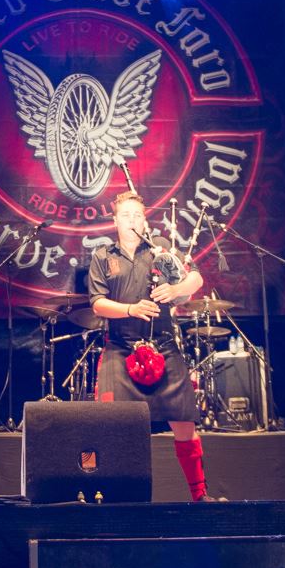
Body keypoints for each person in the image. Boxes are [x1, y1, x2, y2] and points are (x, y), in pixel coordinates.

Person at [87, 191, 214, 501]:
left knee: (184, 424)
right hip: (121, 347)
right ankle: (113, 497)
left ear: (144, 220)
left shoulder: (160, 250)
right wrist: (131, 309)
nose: (132, 220)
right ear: (115, 221)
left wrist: (176, 288)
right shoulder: (102, 256)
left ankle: (200, 496)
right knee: (111, 423)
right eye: (125, 215)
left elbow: (195, 279)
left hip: (163, 346)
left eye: (137, 215)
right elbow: (97, 304)